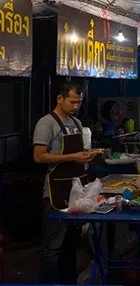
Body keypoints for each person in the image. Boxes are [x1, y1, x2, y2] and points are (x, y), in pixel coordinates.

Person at [33, 82, 98, 284]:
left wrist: (87, 156)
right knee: (53, 248)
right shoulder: (46, 123)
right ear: (60, 99)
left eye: (79, 102)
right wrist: (72, 157)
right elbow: (39, 156)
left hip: (76, 193)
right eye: (72, 102)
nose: (76, 106)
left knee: (71, 245)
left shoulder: (77, 123)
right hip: (55, 192)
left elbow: (78, 155)